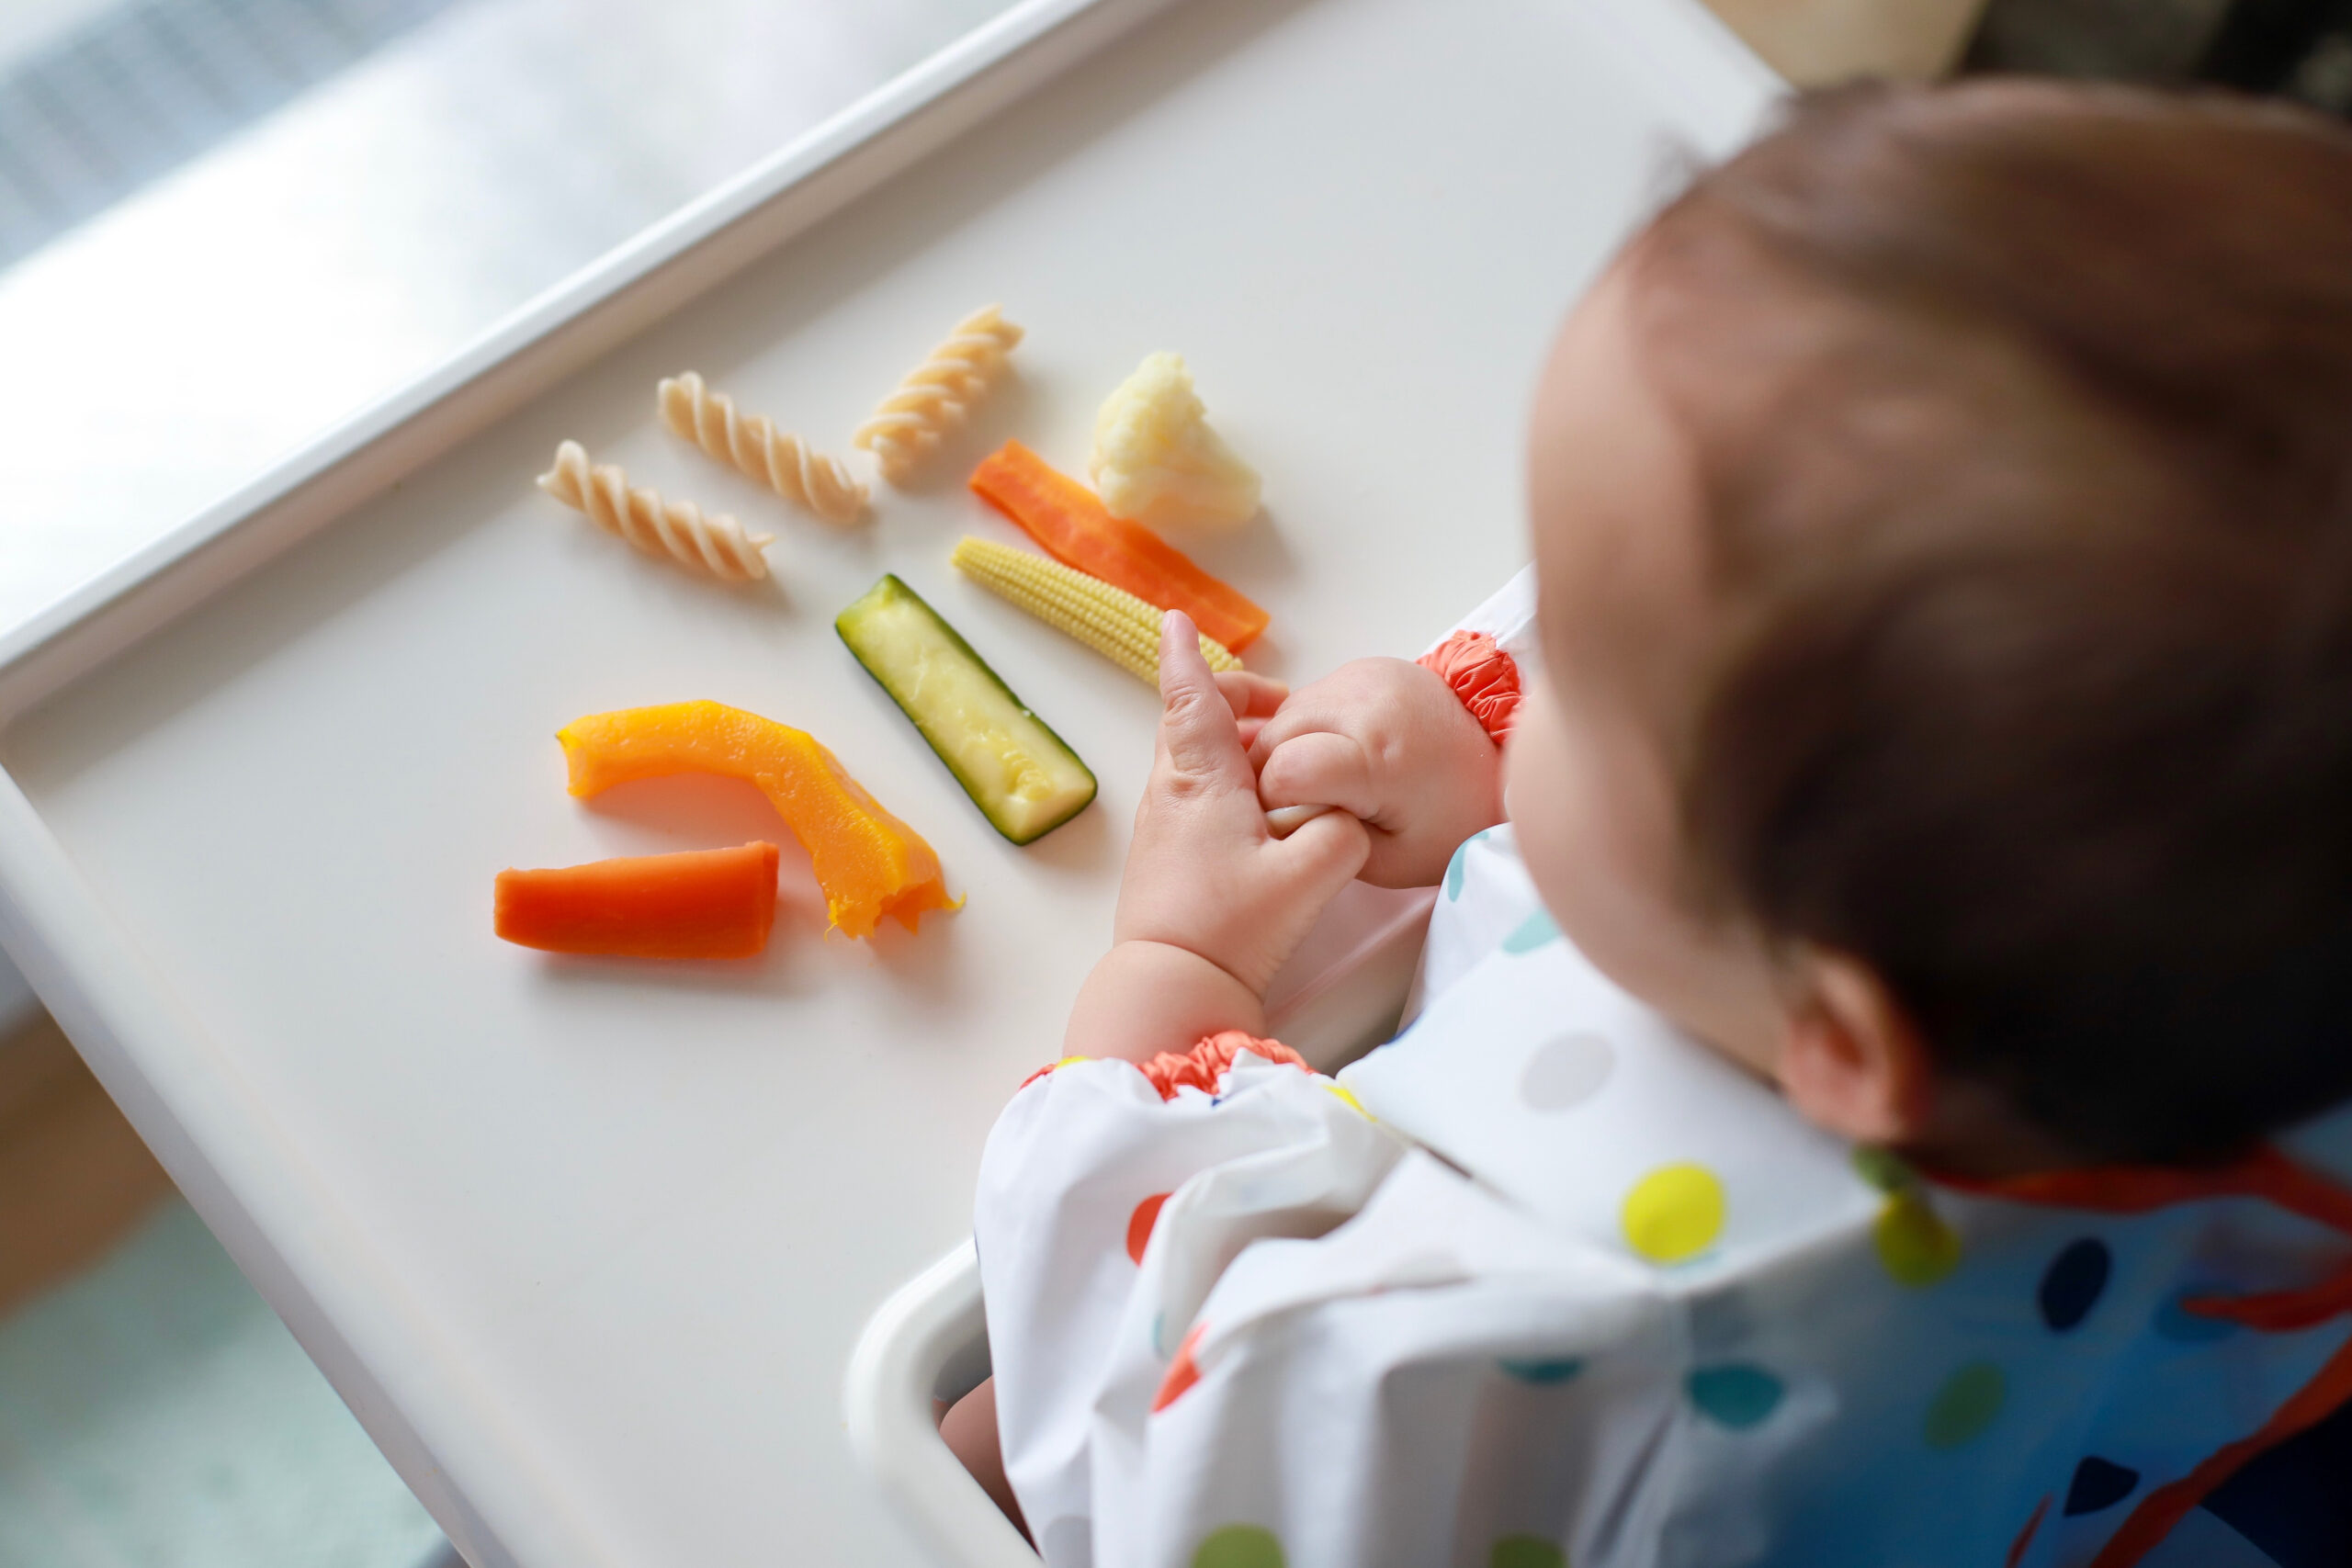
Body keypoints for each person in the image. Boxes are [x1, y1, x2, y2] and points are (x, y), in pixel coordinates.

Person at [944, 79, 2352, 1568]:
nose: (1526, 681)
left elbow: (1129, 1442)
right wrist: (1487, 772)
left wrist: (1176, 975)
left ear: (1842, 1036)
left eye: (1586, 694)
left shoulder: (1555, 1350)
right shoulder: (2211, 968)